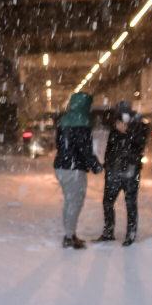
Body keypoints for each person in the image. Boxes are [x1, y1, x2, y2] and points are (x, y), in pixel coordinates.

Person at [96, 101, 151, 246]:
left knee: (130, 203)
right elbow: (110, 148)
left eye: (120, 119)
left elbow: (139, 147)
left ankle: (131, 234)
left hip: (130, 173)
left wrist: (128, 132)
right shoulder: (115, 129)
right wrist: (107, 164)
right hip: (113, 172)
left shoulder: (138, 128)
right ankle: (109, 231)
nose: (118, 122)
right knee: (107, 202)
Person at [53, 92, 102, 249]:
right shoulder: (82, 121)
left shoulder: (64, 120)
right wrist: (96, 166)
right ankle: (69, 237)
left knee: (69, 201)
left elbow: (61, 145)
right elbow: (85, 149)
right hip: (73, 168)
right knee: (75, 202)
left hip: (61, 166)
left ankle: (69, 233)